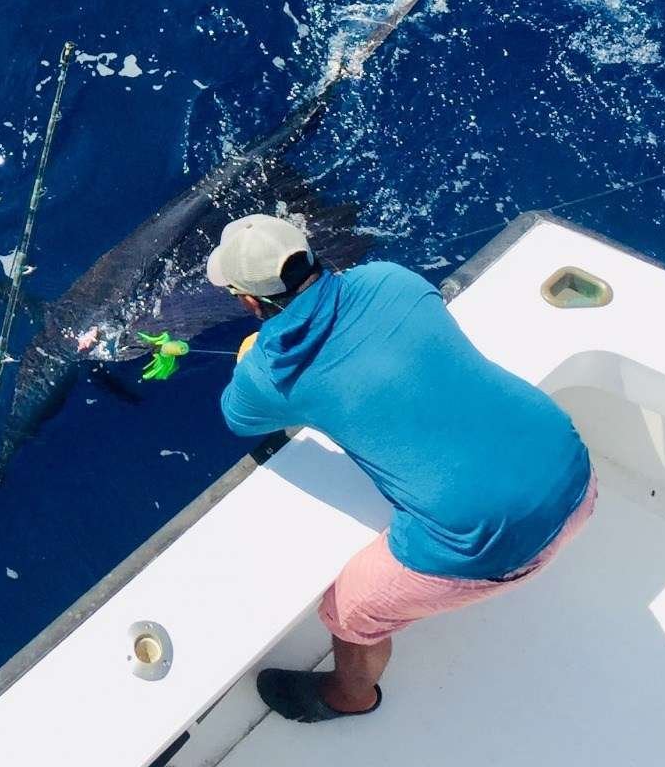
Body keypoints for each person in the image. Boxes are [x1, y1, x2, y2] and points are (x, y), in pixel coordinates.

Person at [207, 214, 595, 723]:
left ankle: (350, 697)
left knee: (347, 610)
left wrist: (252, 358)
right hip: (572, 467)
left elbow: (237, 417)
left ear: (250, 301)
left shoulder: (271, 372)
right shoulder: (391, 277)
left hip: (496, 542)